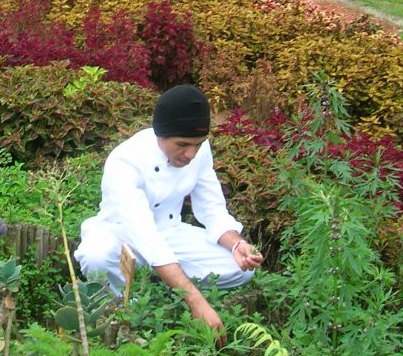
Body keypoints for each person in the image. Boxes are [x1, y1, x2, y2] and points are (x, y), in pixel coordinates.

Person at [75, 85, 263, 337]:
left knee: (240, 270)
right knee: (95, 256)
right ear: (160, 134)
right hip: (121, 234)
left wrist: (236, 244)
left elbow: (212, 208)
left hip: (170, 230)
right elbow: (144, 234)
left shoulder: (199, 152)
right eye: (182, 144)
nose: (191, 154)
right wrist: (196, 301)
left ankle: (164, 281)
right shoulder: (125, 161)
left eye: (198, 144)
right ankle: (126, 305)